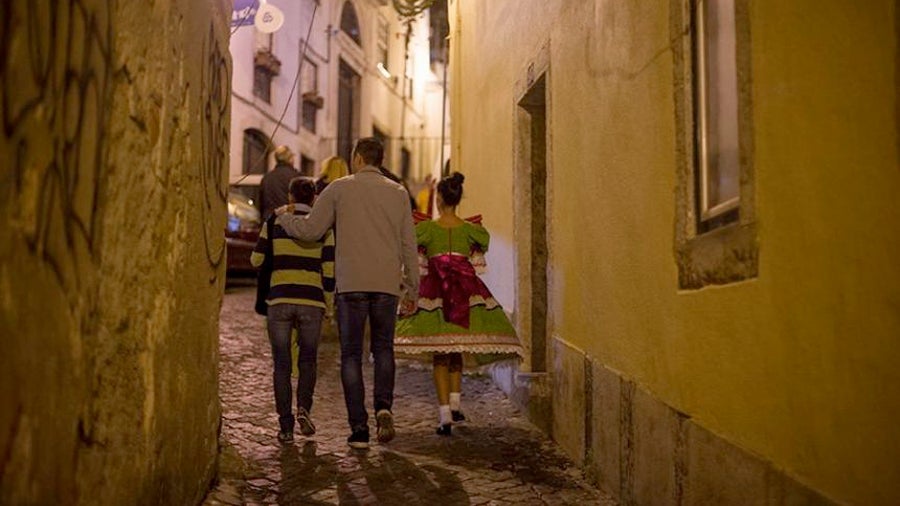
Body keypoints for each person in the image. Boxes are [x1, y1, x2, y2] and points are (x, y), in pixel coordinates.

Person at [275, 137, 419, 449]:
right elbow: (409, 243)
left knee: (351, 354)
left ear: (356, 158)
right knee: (383, 349)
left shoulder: (339, 188)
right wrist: (413, 289)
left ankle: (359, 429)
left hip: (351, 282)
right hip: (385, 284)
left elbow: (312, 229)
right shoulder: (398, 193)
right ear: (379, 160)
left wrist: (284, 218)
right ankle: (383, 407)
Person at [394, 172, 522, 436]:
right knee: (457, 347)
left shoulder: (426, 229)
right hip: (466, 293)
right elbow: (479, 253)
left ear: (438, 199)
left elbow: (415, 259)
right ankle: (454, 404)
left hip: (435, 295)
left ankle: (444, 415)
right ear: (458, 198)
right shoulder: (471, 230)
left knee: (441, 353)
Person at [251, 177, 336, 444]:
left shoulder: (274, 223)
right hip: (312, 301)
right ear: (313, 199)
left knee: (282, 365)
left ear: (289, 197)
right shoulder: (324, 227)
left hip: (279, 300)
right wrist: (329, 306)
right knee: (308, 360)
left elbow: (256, 260)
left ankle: (285, 428)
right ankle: (304, 409)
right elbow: (330, 272)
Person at [259, 145, 301, 220]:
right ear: (290, 159)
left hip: (270, 222)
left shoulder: (267, 178)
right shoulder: (296, 177)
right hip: (289, 223)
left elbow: (261, 204)